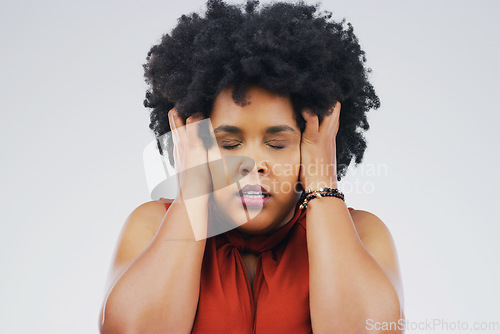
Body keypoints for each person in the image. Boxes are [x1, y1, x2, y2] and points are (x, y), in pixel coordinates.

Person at [99, 0, 405, 333]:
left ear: (313, 145)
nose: (254, 164)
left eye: (277, 144)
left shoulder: (361, 232)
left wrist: (322, 183)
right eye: (229, 144)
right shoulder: (152, 225)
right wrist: (193, 192)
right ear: (195, 143)